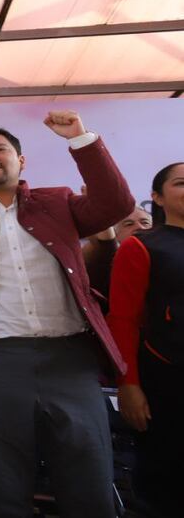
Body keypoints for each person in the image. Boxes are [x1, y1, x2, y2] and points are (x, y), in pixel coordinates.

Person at [0, 113, 134, 518]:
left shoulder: (57, 201)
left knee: (89, 484)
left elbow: (116, 204)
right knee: (5, 488)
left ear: (22, 161)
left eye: (0, 149)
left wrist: (80, 138)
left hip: (70, 361)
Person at [107, 162, 184, 518]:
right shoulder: (140, 247)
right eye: (181, 183)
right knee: (164, 486)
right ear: (156, 197)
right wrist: (129, 385)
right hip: (166, 381)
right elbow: (122, 321)